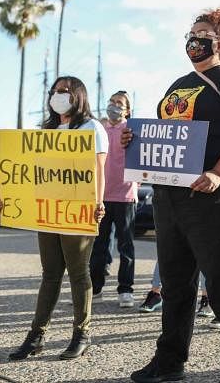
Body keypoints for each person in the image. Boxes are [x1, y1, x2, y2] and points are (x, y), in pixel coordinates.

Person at [128, 7, 220, 383]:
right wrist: (134, 140)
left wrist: (219, 173)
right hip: (171, 195)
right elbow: (168, 133)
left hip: (213, 194)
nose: (195, 37)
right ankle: (169, 362)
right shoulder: (179, 83)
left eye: (205, 32)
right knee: (175, 282)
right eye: (192, 31)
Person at [7, 76, 108, 361]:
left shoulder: (92, 127)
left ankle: (81, 333)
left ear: (79, 95)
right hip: (47, 209)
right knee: (50, 274)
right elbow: (30, 170)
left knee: (78, 272)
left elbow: (99, 170)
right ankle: (36, 336)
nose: (58, 95)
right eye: (54, 91)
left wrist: (98, 203)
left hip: (78, 209)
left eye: (64, 91)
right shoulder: (46, 129)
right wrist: (12, 194)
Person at [90, 91, 138, 308]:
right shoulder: (98, 129)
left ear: (127, 110)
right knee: (98, 245)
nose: (114, 106)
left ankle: (126, 290)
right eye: (111, 102)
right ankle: (95, 288)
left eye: (119, 104)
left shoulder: (132, 130)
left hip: (126, 195)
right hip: (101, 195)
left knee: (125, 246)